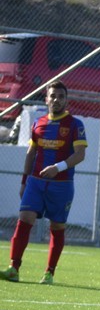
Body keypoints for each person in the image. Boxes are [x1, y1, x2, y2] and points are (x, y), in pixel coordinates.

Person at [3, 81, 87, 284]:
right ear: (46, 99)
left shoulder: (75, 125)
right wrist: (24, 181)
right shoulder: (38, 123)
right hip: (36, 182)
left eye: (61, 96)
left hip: (62, 184)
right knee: (24, 220)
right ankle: (14, 268)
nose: (56, 100)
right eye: (53, 96)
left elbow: (80, 154)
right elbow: (31, 153)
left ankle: (49, 272)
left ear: (66, 100)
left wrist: (58, 167)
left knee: (57, 227)